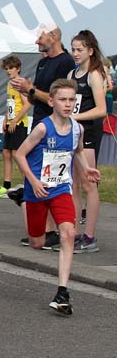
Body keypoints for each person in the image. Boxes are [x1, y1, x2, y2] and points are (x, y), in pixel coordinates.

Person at [13, 79, 100, 315]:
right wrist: (32, 181)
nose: (68, 104)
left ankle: (62, 292)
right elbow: (20, 155)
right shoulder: (42, 128)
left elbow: (78, 151)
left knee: (68, 233)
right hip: (37, 190)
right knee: (37, 243)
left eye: (72, 100)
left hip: (61, 189)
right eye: (63, 99)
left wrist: (85, 168)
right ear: (51, 101)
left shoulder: (77, 129)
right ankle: (22, 198)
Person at [10, 25, 75, 249]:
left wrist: (31, 89)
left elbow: (55, 97)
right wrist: (25, 92)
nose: (37, 42)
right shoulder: (43, 62)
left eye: (40, 37)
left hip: (55, 127)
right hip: (39, 123)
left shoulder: (65, 62)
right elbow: (37, 95)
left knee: (50, 175)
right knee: (35, 171)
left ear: (54, 36)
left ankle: (54, 228)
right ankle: (43, 229)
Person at [67, 30, 107, 253]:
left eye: (79, 50)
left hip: (89, 133)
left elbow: (101, 109)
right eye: (73, 49)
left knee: (89, 183)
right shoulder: (73, 74)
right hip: (74, 133)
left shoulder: (94, 75)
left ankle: (90, 236)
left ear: (90, 51)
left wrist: (75, 117)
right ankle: (74, 232)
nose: (75, 53)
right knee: (73, 185)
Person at [0, 55, 31, 199]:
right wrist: (5, 119)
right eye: (7, 69)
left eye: (11, 68)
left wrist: (15, 120)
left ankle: (27, 184)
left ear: (18, 69)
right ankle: (6, 184)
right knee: (6, 153)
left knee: (17, 154)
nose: (8, 71)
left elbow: (27, 104)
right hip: (10, 121)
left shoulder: (20, 84)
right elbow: (10, 102)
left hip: (20, 123)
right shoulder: (10, 84)